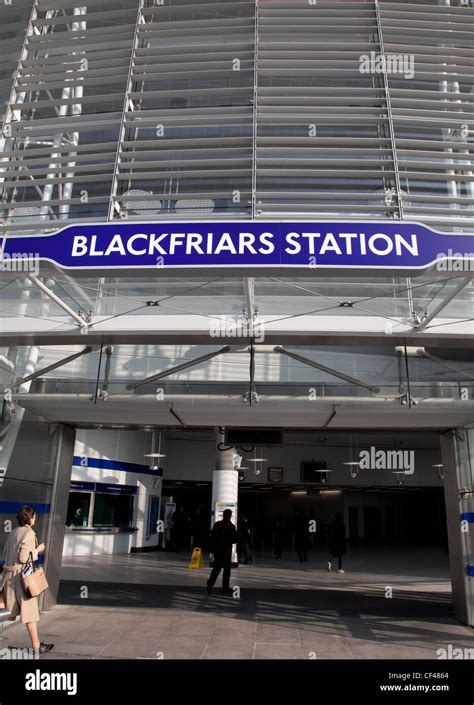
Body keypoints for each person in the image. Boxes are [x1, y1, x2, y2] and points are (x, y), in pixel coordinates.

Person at [0, 506, 54, 655]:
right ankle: (37, 647)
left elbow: (6, 552)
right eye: (34, 516)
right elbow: (24, 558)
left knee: (5, 610)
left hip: (8, 577)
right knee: (30, 613)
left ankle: (37, 645)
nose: (35, 518)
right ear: (30, 518)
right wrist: (38, 550)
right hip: (21, 579)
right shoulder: (29, 534)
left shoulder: (13, 532)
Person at [206, 509, 237, 594]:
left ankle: (210, 584)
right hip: (227, 551)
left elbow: (212, 536)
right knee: (227, 569)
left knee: (217, 568)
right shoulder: (231, 526)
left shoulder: (217, 524)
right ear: (230, 516)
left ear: (223, 515)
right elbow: (234, 540)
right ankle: (225, 587)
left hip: (218, 550)